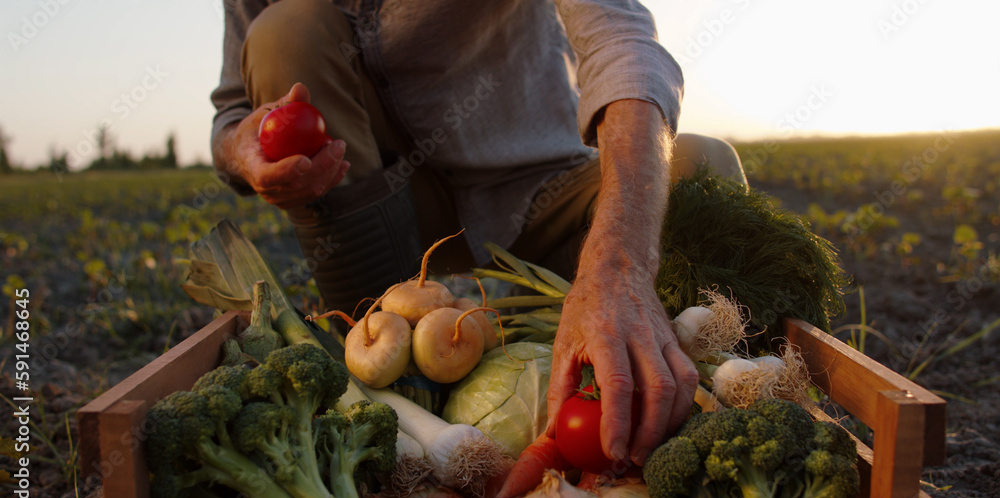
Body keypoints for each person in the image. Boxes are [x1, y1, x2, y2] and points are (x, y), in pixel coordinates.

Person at [210, 0, 746, 469]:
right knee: (285, 27)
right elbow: (232, 115)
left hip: (538, 186)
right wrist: (242, 148)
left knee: (705, 169)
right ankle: (382, 370)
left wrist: (619, 264)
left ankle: (729, 379)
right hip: (374, 214)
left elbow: (623, 38)